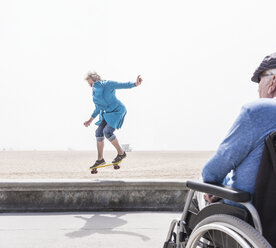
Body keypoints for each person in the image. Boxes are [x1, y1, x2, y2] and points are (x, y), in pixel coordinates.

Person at [201, 52, 276, 206]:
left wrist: (217, 184)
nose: (258, 89)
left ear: (273, 81)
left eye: (259, 80)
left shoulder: (259, 110)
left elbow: (214, 170)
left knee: (202, 187)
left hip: (253, 214)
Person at [84, 72, 142, 168]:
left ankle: (121, 153)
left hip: (117, 111)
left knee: (107, 131)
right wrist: (90, 120)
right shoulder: (95, 93)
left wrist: (135, 84)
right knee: (98, 132)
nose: (90, 86)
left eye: (91, 83)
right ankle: (100, 159)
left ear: (96, 80)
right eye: (89, 85)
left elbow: (122, 85)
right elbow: (98, 108)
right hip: (107, 114)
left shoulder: (107, 84)